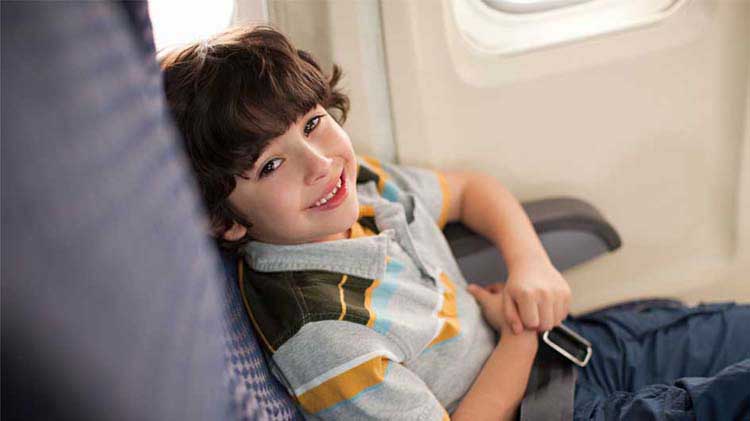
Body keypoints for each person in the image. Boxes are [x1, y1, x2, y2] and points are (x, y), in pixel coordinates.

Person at [159, 26, 750, 420]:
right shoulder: (322, 336)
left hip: (567, 349)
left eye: (312, 123)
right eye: (271, 164)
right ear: (225, 220)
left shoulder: (356, 187)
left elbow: (470, 191)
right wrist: (519, 334)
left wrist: (530, 266)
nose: (319, 164)